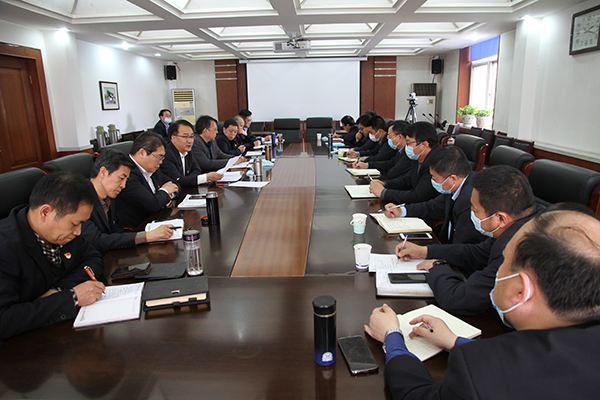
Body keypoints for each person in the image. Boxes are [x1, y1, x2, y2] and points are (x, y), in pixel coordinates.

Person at [365, 204, 600, 399]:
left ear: (521, 291)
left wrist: (393, 338)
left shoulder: (484, 372)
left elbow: (418, 395)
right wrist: (455, 341)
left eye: (503, 261)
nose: (496, 268)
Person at [397, 165, 542, 315]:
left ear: (500, 218)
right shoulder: (525, 220)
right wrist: (425, 251)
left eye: (475, 210)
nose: (471, 213)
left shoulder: (516, 249)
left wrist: (437, 267)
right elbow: (477, 253)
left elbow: (457, 299)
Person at [0, 171, 105, 343]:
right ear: (45, 212)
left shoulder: (62, 233)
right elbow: (4, 319)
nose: (78, 232)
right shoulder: (5, 248)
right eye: (75, 224)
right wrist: (70, 298)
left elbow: (93, 258)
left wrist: (60, 290)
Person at [384, 146, 486, 245]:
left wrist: (426, 252)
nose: (432, 181)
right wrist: (401, 210)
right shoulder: (454, 187)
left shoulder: (472, 201)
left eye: (435, 178)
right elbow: (432, 207)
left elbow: (461, 246)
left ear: (452, 179)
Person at [82, 150, 174, 255]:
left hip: (112, 254)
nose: (123, 185)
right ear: (103, 172)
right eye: (121, 178)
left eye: (126, 180)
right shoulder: (80, 199)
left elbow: (116, 229)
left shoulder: (110, 195)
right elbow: (96, 240)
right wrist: (146, 236)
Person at [115, 131, 180, 227]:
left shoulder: (152, 167)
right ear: (142, 153)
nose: (161, 162)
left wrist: (166, 197)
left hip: (158, 219)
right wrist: (165, 192)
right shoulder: (126, 173)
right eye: (159, 157)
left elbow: (175, 184)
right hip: (138, 228)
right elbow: (153, 205)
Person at [370, 121, 440, 205]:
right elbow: (407, 179)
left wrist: (384, 193)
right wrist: (385, 184)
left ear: (424, 145)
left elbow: (418, 196)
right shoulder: (419, 155)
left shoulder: (437, 162)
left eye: (408, 143)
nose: (406, 146)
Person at [161, 120, 223, 187]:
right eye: (185, 137)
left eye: (191, 137)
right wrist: (206, 178)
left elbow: (196, 169)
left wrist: (187, 180)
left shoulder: (188, 151)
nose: (190, 141)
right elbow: (177, 180)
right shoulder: (166, 154)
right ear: (173, 138)